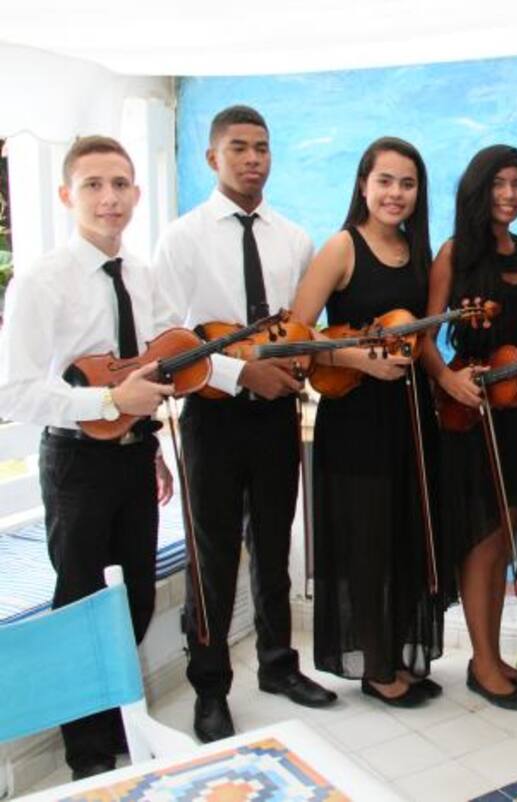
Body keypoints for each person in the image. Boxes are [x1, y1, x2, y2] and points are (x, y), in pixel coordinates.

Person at [153, 105, 335, 743]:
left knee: (274, 548)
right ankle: (209, 688)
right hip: (212, 415)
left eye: (262, 147)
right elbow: (167, 343)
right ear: (212, 157)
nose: (252, 158)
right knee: (214, 555)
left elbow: (301, 329)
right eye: (238, 148)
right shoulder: (180, 239)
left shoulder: (294, 239)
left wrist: (300, 362)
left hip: (279, 414)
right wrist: (239, 374)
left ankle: (278, 665)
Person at [0, 136, 174, 778]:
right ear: (68, 195)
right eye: (95, 185)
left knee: (136, 601)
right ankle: (89, 758)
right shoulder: (41, 280)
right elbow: (14, 389)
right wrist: (107, 401)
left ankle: (118, 724)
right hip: (75, 464)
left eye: (120, 184)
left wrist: (143, 432)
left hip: (133, 455)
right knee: (80, 604)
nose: (109, 198)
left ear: (136, 193)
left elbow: (143, 370)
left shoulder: (141, 272)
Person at [290, 137, 444, 708]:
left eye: (407, 183)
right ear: (363, 185)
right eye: (385, 181)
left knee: (403, 538)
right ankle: (377, 668)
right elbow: (295, 339)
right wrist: (360, 359)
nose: (395, 193)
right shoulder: (341, 248)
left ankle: (399, 654)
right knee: (368, 547)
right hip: (355, 418)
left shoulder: (416, 251)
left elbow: (421, 338)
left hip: (409, 418)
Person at [425, 144, 517, 710]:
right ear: (479, 188)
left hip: (516, 406)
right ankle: (482, 661)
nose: (510, 194)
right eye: (499, 183)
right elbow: (424, 337)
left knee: (506, 534)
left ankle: (491, 657)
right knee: (482, 539)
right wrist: (451, 384)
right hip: (470, 413)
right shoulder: (454, 253)